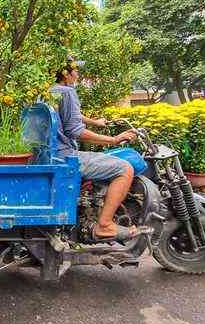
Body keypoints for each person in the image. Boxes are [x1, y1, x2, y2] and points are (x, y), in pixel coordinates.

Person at [51, 58, 142, 242]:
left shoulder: (50, 91)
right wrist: (114, 140)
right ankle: (105, 225)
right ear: (66, 74)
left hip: (51, 154)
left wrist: (95, 123)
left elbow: (71, 116)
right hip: (65, 156)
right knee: (125, 169)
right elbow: (74, 130)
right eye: (75, 71)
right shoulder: (67, 92)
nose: (78, 74)